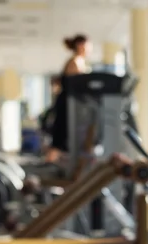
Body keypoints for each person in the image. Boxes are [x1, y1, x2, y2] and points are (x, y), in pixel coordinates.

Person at [45, 34, 92, 163]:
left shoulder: (79, 61)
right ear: (80, 45)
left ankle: (54, 161)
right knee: (61, 134)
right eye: (88, 45)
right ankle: (49, 162)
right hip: (67, 103)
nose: (90, 48)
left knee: (64, 135)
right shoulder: (75, 61)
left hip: (71, 103)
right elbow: (76, 84)